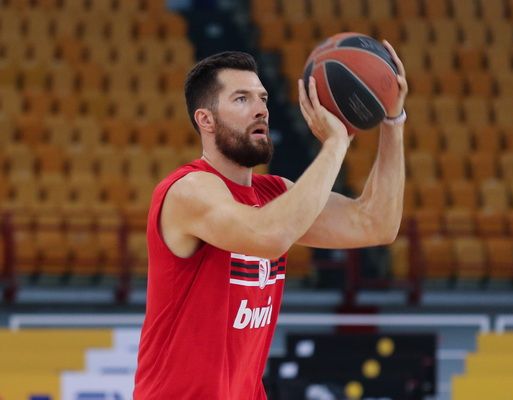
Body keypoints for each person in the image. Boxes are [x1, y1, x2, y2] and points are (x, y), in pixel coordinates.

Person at [133, 43, 408, 399]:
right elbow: (270, 235)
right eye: (242, 99)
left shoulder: (275, 195)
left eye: (262, 98)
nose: (261, 109)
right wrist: (335, 145)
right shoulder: (188, 189)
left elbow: (376, 224)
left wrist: (393, 121)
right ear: (206, 120)